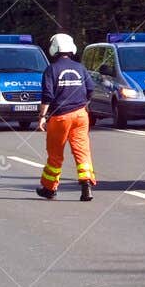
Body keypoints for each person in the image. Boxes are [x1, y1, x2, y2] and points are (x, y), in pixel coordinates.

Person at [36, 32, 96, 202]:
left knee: (55, 154)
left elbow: (47, 95)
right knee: (82, 151)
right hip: (81, 116)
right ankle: (86, 186)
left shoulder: (51, 69)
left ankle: (49, 189)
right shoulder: (80, 68)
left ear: (54, 48)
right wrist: (83, 104)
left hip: (60, 117)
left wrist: (42, 116)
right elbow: (91, 88)